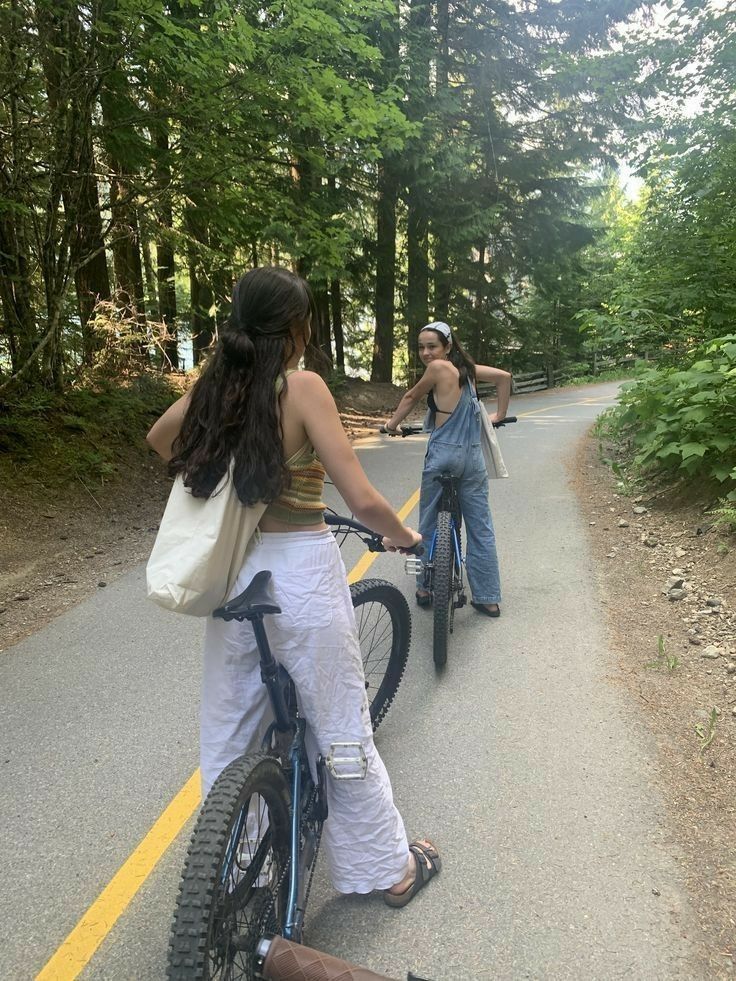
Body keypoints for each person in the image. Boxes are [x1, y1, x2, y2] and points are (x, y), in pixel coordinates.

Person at [146, 267, 440, 906]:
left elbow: (159, 436)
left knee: (231, 731)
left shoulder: (222, 389)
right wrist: (407, 537)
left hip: (236, 578)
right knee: (340, 724)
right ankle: (384, 869)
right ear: (297, 328)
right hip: (302, 575)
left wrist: (221, 414)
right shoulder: (302, 388)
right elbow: (360, 497)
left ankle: (233, 867)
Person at [384, 321, 511, 617]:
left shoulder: (438, 370)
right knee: (480, 527)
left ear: (448, 347)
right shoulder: (468, 372)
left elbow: (411, 397)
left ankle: (425, 586)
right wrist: (499, 415)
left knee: (428, 521)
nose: (426, 353)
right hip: (473, 460)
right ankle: (488, 597)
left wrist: (391, 425)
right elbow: (505, 377)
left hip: (443, 455)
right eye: (421, 347)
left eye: (432, 346)